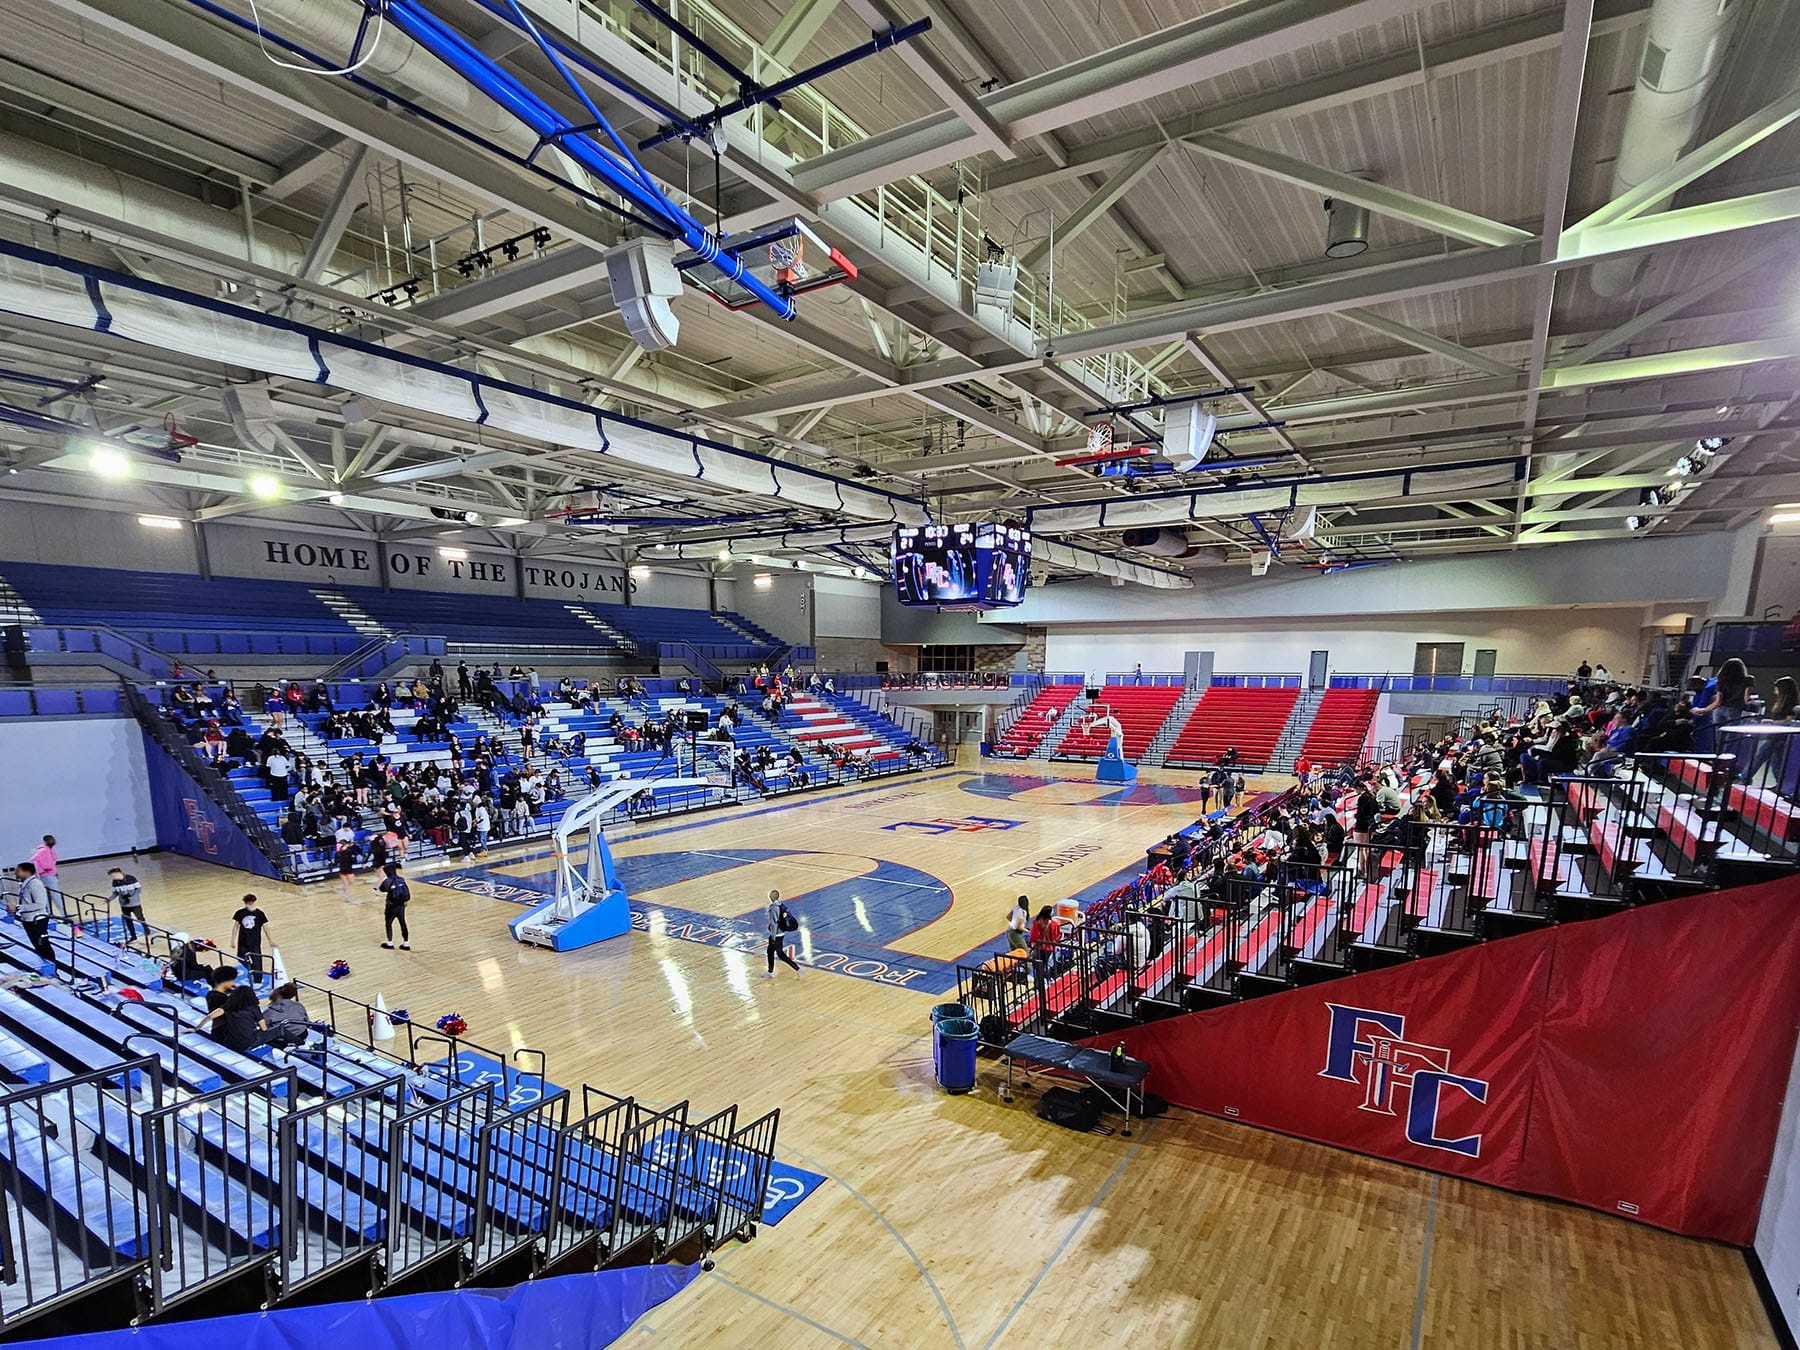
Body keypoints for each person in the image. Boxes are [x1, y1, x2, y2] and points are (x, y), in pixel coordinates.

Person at [7, 861, 53, 963]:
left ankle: (52, 966)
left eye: (18, 871)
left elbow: (40, 904)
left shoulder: (35, 884)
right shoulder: (25, 884)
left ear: (26, 872)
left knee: (43, 945)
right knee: (37, 946)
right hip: (28, 920)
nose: (15, 873)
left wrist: (18, 907)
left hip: (37, 920)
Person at [231, 893, 273, 977]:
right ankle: (251, 969)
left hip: (255, 941)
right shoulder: (240, 913)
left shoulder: (259, 913)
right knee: (241, 957)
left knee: (257, 959)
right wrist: (233, 940)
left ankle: (258, 978)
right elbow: (235, 926)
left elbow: (266, 927)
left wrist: (270, 940)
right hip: (243, 940)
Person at [765, 888, 801, 978]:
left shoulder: (773, 907)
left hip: (776, 934)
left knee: (775, 953)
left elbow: (774, 923)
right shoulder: (781, 905)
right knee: (776, 953)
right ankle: (796, 968)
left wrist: (773, 936)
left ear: (770, 897)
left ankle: (771, 972)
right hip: (781, 932)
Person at [1027, 905, 1059, 999]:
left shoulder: (1037, 923)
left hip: (1039, 948)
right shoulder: (1054, 924)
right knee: (1045, 965)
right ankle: (1046, 981)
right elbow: (1057, 936)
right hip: (1049, 949)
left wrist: (1031, 944)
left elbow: (1033, 937)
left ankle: (1038, 984)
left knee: (1037, 967)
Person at [108, 866, 147, 943]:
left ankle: (146, 929)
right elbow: (115, 893)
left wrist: (132, 897)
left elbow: (138, 889)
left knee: (140, 918)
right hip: (124, 905)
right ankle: (133, 936)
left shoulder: (131, 878)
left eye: (113, 875)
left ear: (118, 873)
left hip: (135, 904)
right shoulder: (115, 882)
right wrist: (109, 899)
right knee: (128, 921)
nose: (113, 877)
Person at [378, 862, 412, 950]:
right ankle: (406, 943)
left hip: (391, 906)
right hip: (401, 905)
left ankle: (390, 943)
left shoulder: (388, 880)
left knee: (388, 923)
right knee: (403, 923)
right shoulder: (401, 879)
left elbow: (381, 889)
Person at [30, 835, 60, 917]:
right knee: (54, 894)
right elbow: (33, 861)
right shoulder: (43, 851)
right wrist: (44, 870)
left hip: (50, 874)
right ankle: (58, 912)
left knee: (52, 894)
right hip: (46, 875)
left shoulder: (50, 850)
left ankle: (52, 912)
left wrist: (55, 872)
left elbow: (53, 863)